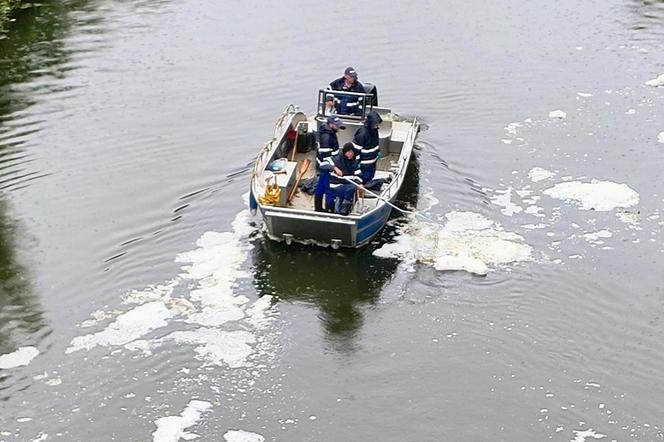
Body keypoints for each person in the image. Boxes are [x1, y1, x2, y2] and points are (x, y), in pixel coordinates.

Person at [352, 110, 390, 191]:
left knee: (370, 177)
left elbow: (376, 143)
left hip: (372, 162)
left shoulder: (374, 131)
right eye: (375, 124)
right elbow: (355, 150)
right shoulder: (362, 133)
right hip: (364, 164)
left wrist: (378, 152)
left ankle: (366, 188)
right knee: (363, 180)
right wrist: (356, 164)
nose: (377, 126)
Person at [314, 115, 345, 212]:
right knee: (329, 190)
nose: (338, 128)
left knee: (320, 187)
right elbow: (326, 157)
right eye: (337, 126)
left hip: (323, 167)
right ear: (331, 125)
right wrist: (335, 168)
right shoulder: (327, 138)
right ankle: (329, 210)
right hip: (327, 167)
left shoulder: (329, 132)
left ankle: (318, 208)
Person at [328, 142, 362, 215]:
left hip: (345, 186)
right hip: (334, 186)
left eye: (352, 152)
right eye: (349, 152)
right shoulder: (336, 159)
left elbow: (358, 176)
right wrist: (334, 168)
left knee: (352, 187)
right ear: (345, 152)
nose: (351, 154)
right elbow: (323, 165)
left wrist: (359, 183)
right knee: (351, 188)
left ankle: (341, 206)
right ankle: (343, 208)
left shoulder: (354, 162)